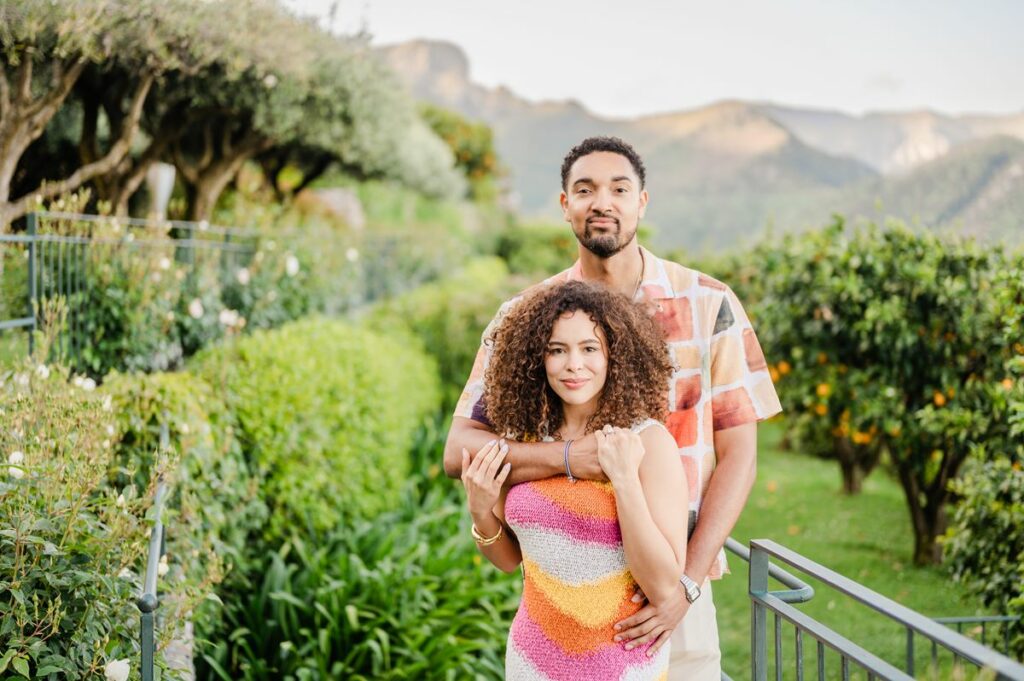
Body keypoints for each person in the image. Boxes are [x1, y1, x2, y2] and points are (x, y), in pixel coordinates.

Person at [445, 136, 783, 680]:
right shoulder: (523, 319)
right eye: (585, 189)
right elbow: (460, 448)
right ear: (565, 205)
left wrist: (685, 587)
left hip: (674, 585)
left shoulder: (709, 304)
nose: (602, 201)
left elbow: (739, 455)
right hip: (561, 596)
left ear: (642, 202)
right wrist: (576, 457)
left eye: (619, 189)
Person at [461, 279, 685, 679]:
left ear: (615, 354)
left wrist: (625, 481)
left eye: (589, 348)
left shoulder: (648, 442)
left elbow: (664, 586)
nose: (573, 365)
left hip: (621, 666)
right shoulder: (524, 439)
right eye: (556, 350)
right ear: (536, 359)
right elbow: (510, 561)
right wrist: (480, 513)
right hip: (532, 663)